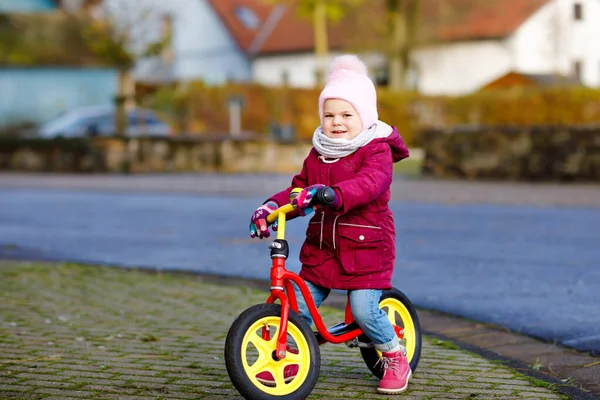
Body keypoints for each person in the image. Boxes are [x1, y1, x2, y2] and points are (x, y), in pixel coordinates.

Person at [249, 54, 411, 394]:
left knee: (365, 311)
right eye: (329, 115)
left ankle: (395, 356)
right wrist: (269, 207)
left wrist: (331, 194)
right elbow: (299, 191)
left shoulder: (376, 150)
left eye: (346, 114)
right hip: (323, 251)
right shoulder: (318, 152)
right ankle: (292, 352)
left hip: (366, 251)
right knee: (296, 304)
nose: (337, 122)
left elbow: (370, 184)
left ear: (364, 116)